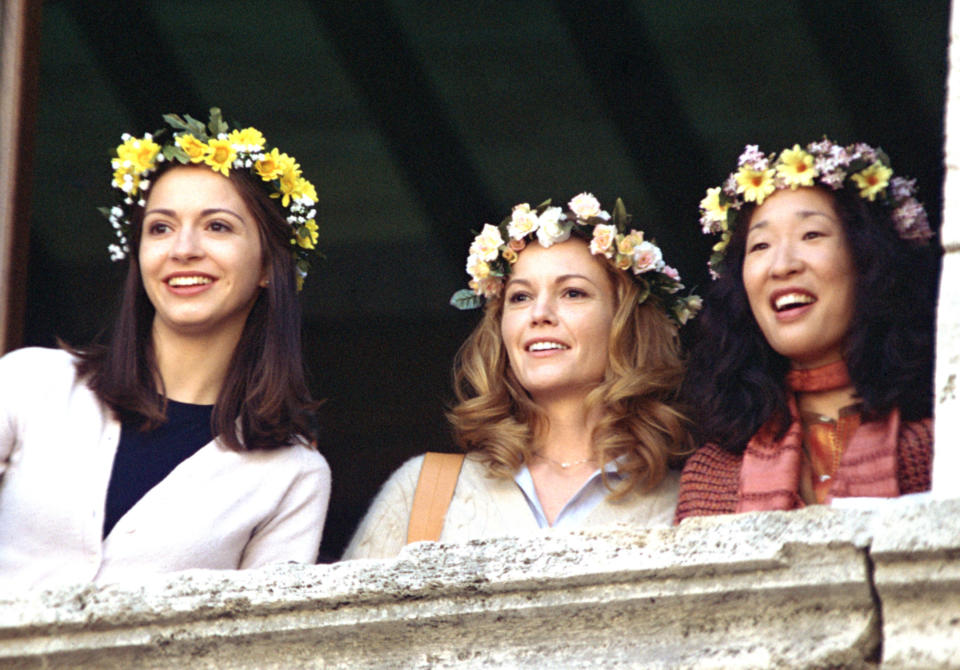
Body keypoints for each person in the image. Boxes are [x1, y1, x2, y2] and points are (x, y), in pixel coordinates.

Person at [0, 108, 331, 589]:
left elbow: (260, 650)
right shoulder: (31, 383)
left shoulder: (293, 475)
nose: (183, 249)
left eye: (217, 226)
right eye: (160, 227)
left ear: (267, 267)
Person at [344, 193, 701, 559]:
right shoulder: (423, 490)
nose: (539, 313)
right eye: (520, 297)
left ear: (627, 324)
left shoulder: (687, 505)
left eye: (573, 293)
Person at [676, 140, 936, 521]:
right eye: (760, 245)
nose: (781, 266)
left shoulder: (942, 441)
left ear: (870, 259)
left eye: (811, 235)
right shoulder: (711, 476)